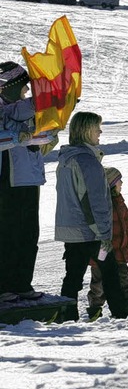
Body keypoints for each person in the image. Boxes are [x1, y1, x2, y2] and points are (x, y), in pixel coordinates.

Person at [55, 112, 128, 321]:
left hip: (71, 230)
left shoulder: (66, 160)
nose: (100, 132)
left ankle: (67, 316)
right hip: (91, 232)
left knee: (72, 277)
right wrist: (103, 233)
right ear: (87, 130)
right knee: (110, 273)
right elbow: (93, 200)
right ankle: (121, 314)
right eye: (97, 127)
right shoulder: (86, 161)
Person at [0, 61, 58, 303]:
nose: (26, 92)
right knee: (8, 235)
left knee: (28, 234)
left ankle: (22, 283)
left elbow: (36, 131)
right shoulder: (5, 110)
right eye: (24, 87)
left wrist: (49, 132)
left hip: (30, 180)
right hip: (8, 181)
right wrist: (18, 136)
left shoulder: (20, 110)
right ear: (9, 86)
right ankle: (3, 287)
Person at [86, 167, 128, 319]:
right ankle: (95, 308)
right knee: (98, 283)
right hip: (103, 252)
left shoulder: (119, 201)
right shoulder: (102, 203)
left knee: (125, 280)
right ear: (111, 184)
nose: (121, 183)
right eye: (118, 181)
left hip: (120, 251)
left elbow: (126, 225)